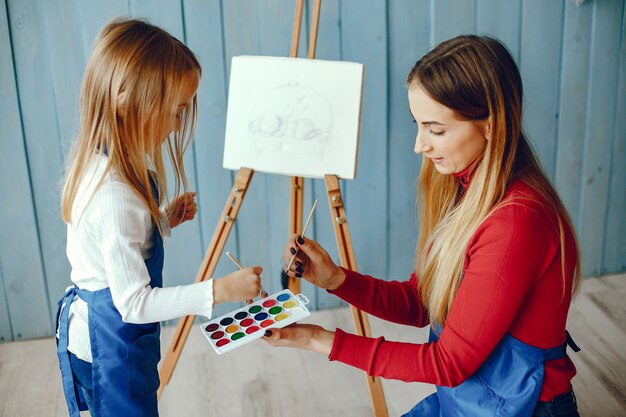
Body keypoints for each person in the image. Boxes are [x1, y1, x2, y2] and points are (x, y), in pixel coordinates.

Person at [265, 35, 582, 417]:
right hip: (474, 397)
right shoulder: (468, 190)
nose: (420, 145)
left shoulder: (515, 223)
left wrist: (320, 339)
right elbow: (425, 304)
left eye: (436, 130)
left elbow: (447, 364)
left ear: (491, 126)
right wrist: (337, 280)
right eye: (418, 125)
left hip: (519, 407)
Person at [56, 18, 263, 417]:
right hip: (108, 347)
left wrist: (163, 220)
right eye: (175, 111)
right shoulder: (112, 195)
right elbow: (133, 304)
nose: (175, 127)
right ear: (126, 100)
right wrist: (217, 290)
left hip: (116, 338)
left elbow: (112, 247)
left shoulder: (109, 165)